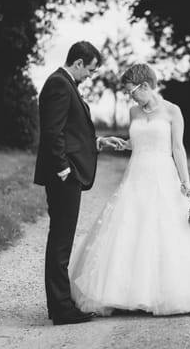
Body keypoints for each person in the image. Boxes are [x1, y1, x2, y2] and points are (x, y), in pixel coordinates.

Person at [68, 63, 190, 316]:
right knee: (129, 228)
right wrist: (120, 144)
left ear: (145, 86)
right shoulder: (133, 112)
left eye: (132, 91)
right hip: (135, 176)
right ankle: (125, 292)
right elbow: (137, 142)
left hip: (163, 176)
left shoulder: (172, 111)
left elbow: (178, 148)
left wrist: (186, 184)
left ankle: (173, 292)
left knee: (168, 230)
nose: (130, 97)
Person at [34, 41, 124, 325]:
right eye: (91, 69)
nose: (91, 75)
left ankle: (60, 305)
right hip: (64, 177)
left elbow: (72, 133)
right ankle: (61, 309)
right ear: (79, 63)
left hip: (66, 173)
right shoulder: (60, 84)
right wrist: (63, 170)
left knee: (62, 239)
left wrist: (97, 143)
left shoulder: (65, 83)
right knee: (61, 242)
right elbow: (53, 132)